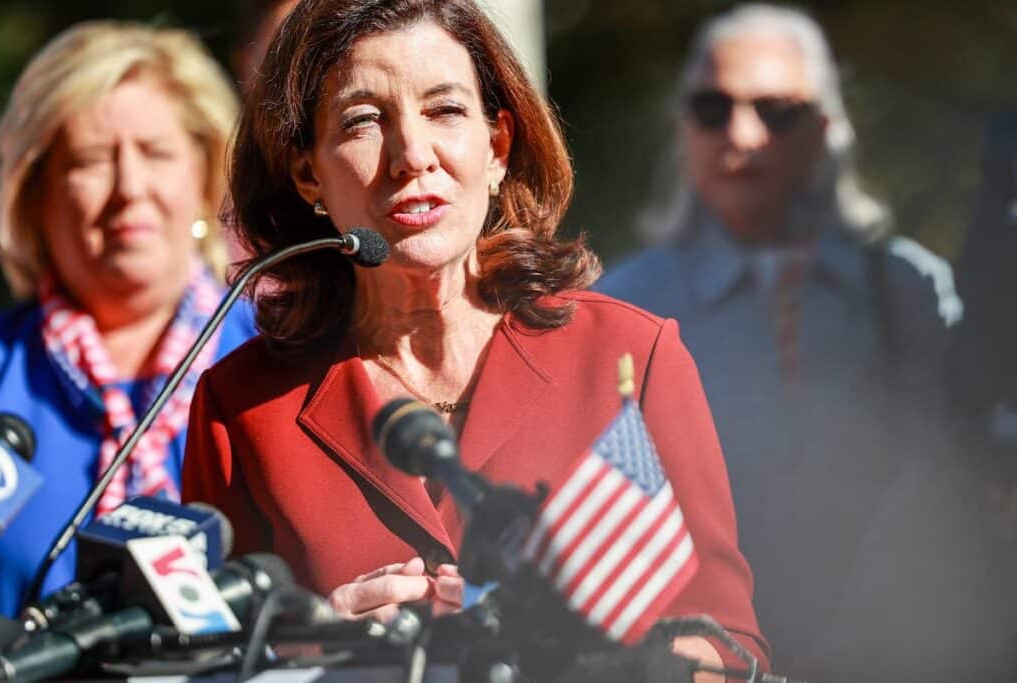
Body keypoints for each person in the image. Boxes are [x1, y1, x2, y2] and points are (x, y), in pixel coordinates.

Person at [181, 0, 767, 676]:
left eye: (445, 110)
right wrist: (303, 659)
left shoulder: (631, 356)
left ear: (498, 147)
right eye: (364, 120)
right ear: (308, 171)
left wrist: (589, 662)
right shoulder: (242, 407)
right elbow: (204, 663)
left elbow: (728, 651)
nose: (411, 155)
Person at [596, 3, 985, 680]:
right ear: (682, 127)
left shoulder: (911, 290)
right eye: (712, 108)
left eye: (776, 110)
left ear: (827, 131)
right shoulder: (621, 307)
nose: (741, 134)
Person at [0, 21, 257, 617]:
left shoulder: (293, 362)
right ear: (35, 194)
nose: (129, 188)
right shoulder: (0, 376)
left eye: (157, 153)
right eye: (90, 161)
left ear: (204, 177)